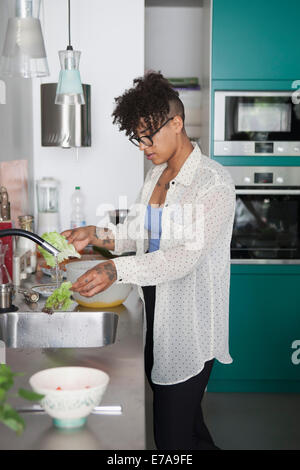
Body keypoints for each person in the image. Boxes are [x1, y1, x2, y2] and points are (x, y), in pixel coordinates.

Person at [62, 71, 236, 450]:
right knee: (189, 428)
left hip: (189, 326)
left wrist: (114, 267)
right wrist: (96, 233)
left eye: (148, 136)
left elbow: (182, 258)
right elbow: (139, 233)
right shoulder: (157, 174)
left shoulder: (213, 184)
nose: (143, 146)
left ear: (177, 123)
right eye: (136, 138)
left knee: (171, 438)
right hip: (155, 315)